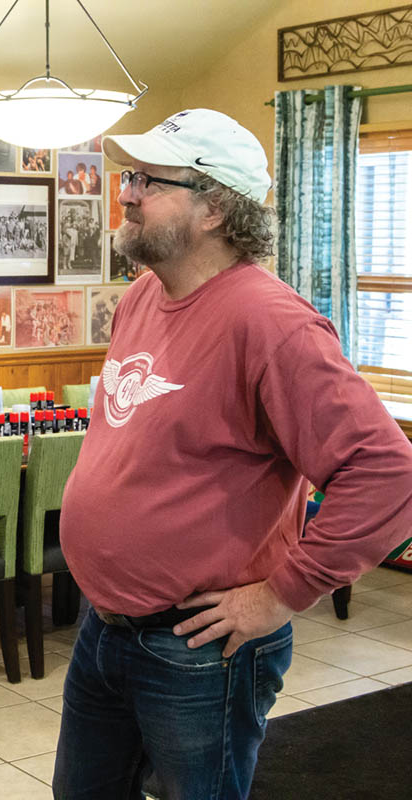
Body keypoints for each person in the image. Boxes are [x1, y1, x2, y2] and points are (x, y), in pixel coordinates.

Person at [55, 108, 412, 799]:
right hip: (104, 627)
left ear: (215, 208)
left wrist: (282, 593)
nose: (125, 193)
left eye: (149, 181)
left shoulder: (270, 322)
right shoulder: (141, 298)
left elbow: (387, 471)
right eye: (129, 176)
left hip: (197, 650)